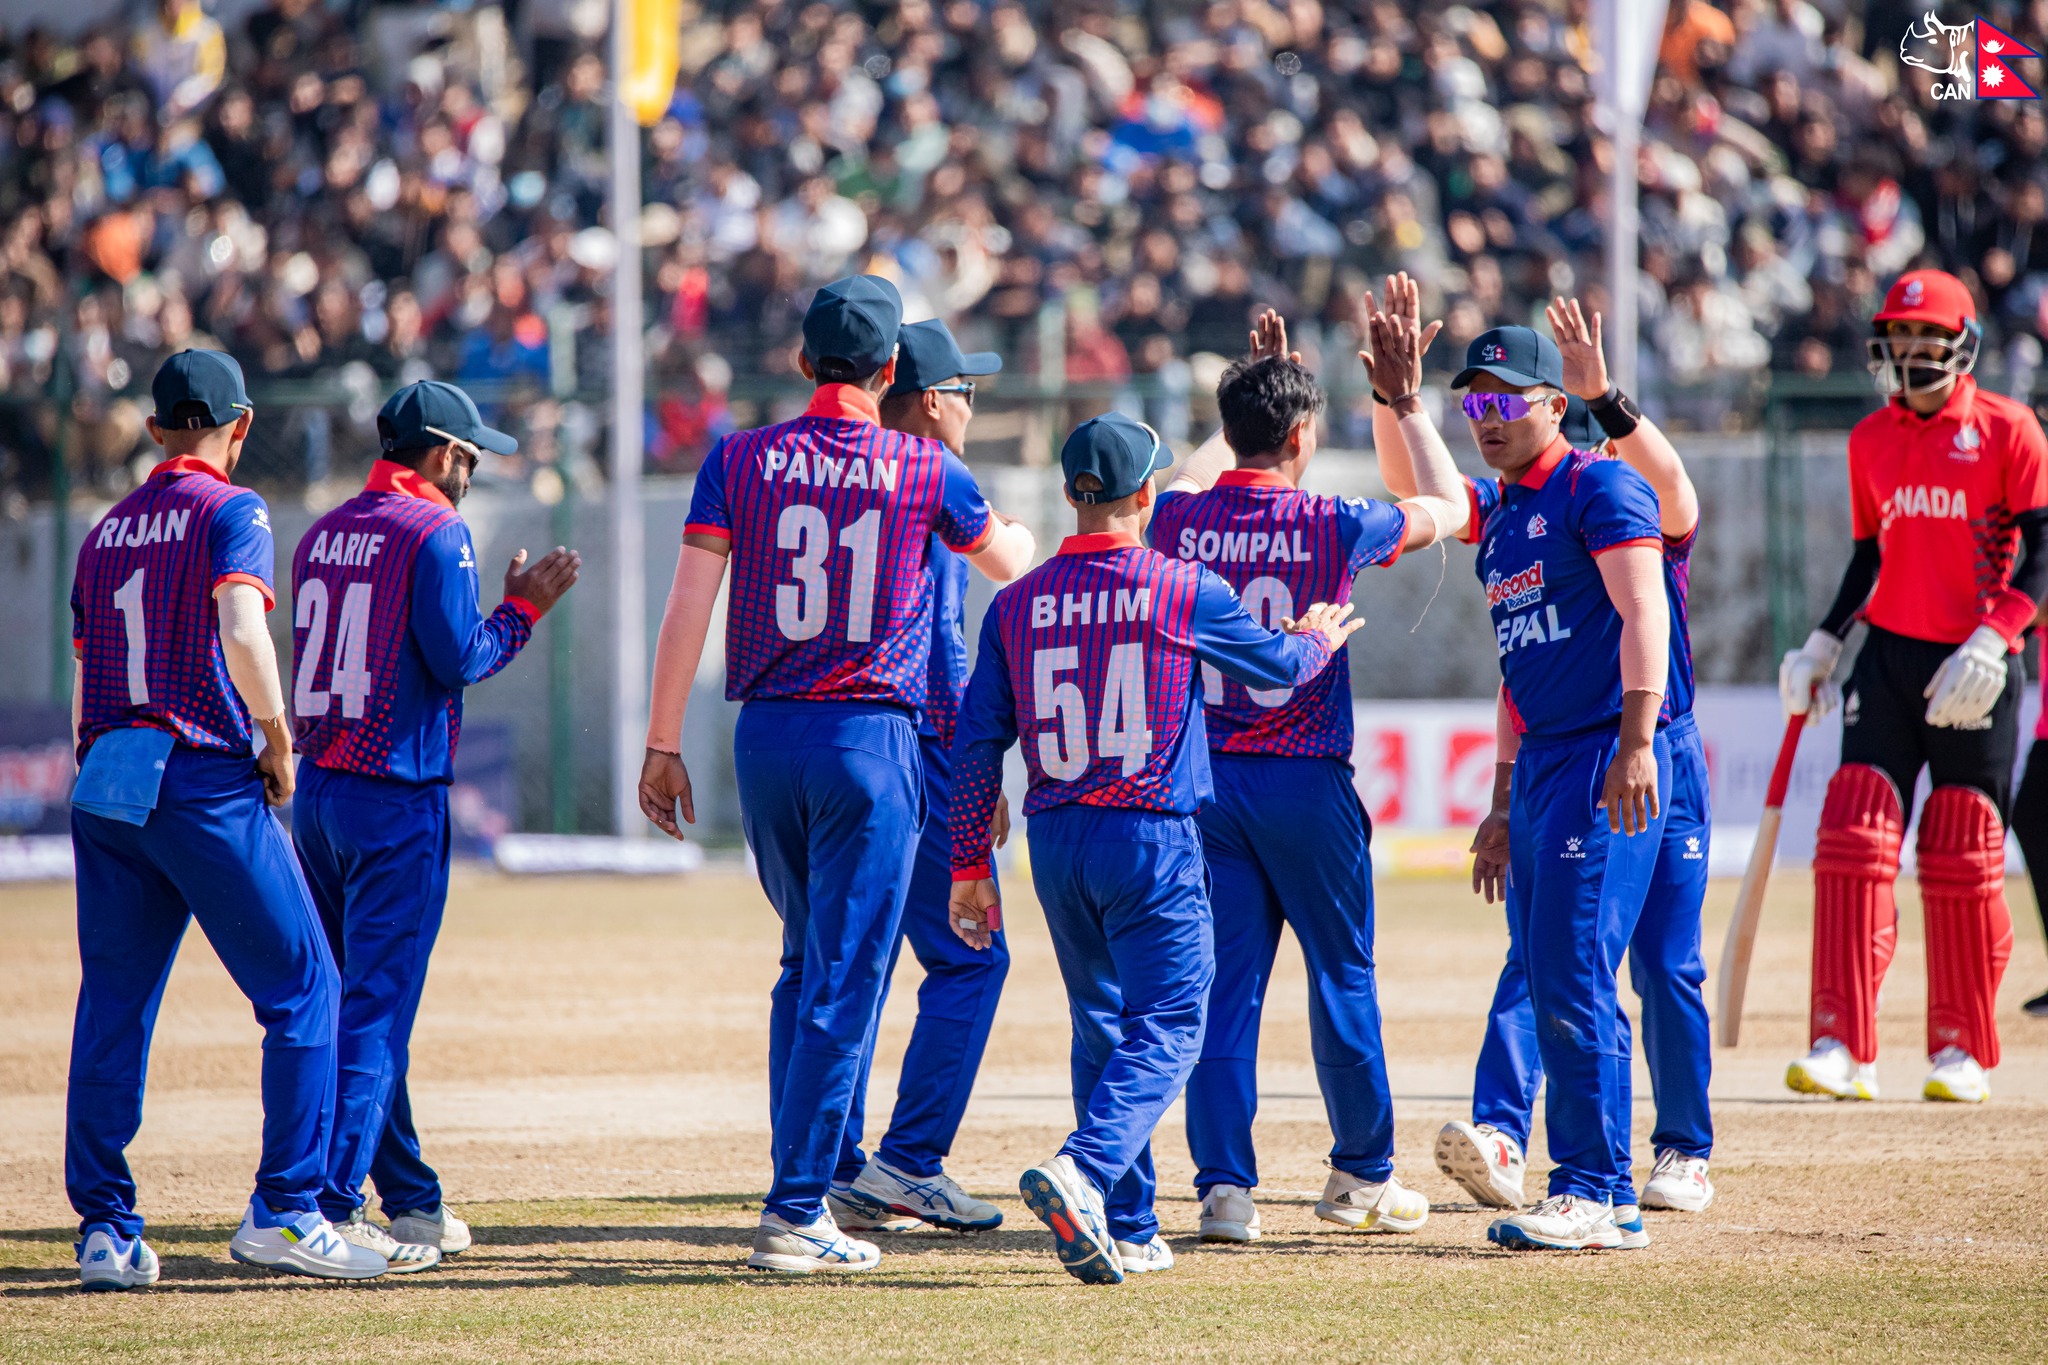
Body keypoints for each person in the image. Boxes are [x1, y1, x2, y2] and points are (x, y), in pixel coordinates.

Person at [636, 276, 1035, 1274]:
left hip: (761, 739)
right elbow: (1011, 565)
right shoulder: (922, 468)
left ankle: (806, 1178)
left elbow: (689, 603)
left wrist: (659, 739)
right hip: (870, 742)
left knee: (804, 965)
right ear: (892, 369)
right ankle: (797, 1206)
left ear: (804, 362)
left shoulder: (738, 458)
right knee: (845, 981)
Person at [947, 412, 1364, 1284]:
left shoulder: (1015, 601)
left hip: (1056, 839)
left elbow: (976, 741)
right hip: (1149, 833)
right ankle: (1086, 1171)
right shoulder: (1181, 585)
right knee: (1173, 1019)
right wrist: (1322, 634)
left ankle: (1130, 1224)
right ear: (1146, 495)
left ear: (1069, 494)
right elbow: (1278, 671)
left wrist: (966, 865)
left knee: (1102, 1023)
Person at [1146, 299, 1469, 1244]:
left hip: (1206, 785)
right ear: (1301, 433)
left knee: (1221, 991)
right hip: (1304, 778)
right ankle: (1360, 1175)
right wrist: (1400, 398)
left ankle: (1223, 1191)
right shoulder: (1335, 520)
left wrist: (1243, 402)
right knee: (1342, 976)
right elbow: (1452, 505)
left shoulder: (1176, 520)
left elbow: (1202, 474)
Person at [1395, 294, 1717, 1234]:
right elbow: (1515, 662)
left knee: (1611, 968)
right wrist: (1400, 400)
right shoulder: (1503, 513)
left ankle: (1602, 1185)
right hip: (1544, 763)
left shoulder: (1603, 487)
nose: (1486, 419)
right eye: (1473, 406)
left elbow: (1645, 612)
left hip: (1611, 755)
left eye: (1503, 401)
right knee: (1547, 966)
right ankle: (1595, 1186)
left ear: (1551, 402)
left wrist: (1634, 740)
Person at [65, 350, 386, 1288]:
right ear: (240, 427)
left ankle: (105, 1229)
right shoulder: (233, 509)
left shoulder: (103, 530)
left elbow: (87, 678)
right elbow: (243, 628)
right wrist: (279, 734)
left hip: (108, 779)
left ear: (157, 428)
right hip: (199, 775)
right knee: (306, 987)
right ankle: (286, 1209)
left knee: (113, 1006)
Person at [289, 380, 581, 1269]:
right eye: (470, 457)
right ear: (444, 454)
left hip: (320, 794)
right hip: (394, 797)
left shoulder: (321, 526)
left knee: (357, 1003)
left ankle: (409, 1196)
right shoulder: (435, 530)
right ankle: (332, 1204)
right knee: (377, 1011)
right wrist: (522, 607)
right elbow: (461, 659)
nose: (473, 473)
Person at [1779, 268, 2048, 1104]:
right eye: (1900, 341)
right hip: (1888, 658)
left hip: (1975, 664)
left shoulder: (2011, 429)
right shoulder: (1871, 440)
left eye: (1927, 339)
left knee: (1963, 845)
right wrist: (1826, 638)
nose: (1913, 354)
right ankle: (1840, 1043)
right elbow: (1872, 557)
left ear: (1961, 343)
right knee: (1855, 834)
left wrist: (1997, 637)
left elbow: (2044, 552)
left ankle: (1962, 1048)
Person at [826, 319, 1013, 1235]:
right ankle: (908, 1161)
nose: (974, 404)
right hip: (924, 755)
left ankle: (828, 1161)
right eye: (967, 390)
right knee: (974, 954)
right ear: (931, 398)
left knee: (845, 961)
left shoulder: (831, 472)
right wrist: (977, 784)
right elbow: (945, 662)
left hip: (822, 743)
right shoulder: (935, 480)